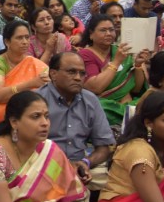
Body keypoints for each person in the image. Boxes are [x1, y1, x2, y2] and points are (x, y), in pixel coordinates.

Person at [41, 51, 116, 192]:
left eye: (82, 74)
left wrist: (85, 163)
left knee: (120, 184)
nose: (78, 78)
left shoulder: (90, 100)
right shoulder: (37, 100)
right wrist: (63, 168)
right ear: (53, 74)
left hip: (82, 168)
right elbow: (26, 149)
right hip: (45, 167)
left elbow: (104, 147)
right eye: (71, 72)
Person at [0, 20, 49, 127]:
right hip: (2, 108)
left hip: (31, 107)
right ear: (7, 42)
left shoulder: (33, 63)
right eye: (19, 38)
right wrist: (31, 84)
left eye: (27, 37)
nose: (25, 42)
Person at [77, 13, 147, 125]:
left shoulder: (120, 51)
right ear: (91, 34)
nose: (108, 33)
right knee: (100, 109)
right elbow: (95, 87)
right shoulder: (85, 55)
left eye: (111, 30)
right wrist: (116, 62)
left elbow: (137, 89)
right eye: (103, 30)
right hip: (105, 107)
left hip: (128, 106)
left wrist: (138, 65)